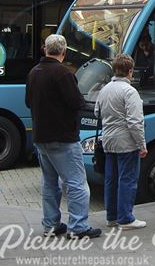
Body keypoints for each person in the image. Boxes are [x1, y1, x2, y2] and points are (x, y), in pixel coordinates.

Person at [26, 35, 100, 239]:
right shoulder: (63, 73)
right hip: (63, 137)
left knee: (49, 183)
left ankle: (51, 224)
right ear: (64, 52)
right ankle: (78, 227)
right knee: (76, 183)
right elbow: (77, 102)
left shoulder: (34, 72)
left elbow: (28, 102)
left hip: (41, 136)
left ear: (44, 49)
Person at [95, 53, 147, 229]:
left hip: (108, 141)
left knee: (111, 179)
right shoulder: (130, 92)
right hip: (126, 142)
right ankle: (126, 218)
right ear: (130, 71)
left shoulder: (105, 89)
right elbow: (134, 122)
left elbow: (97, 113)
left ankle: (112, 217)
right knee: (128, 180)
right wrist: (142, 145)